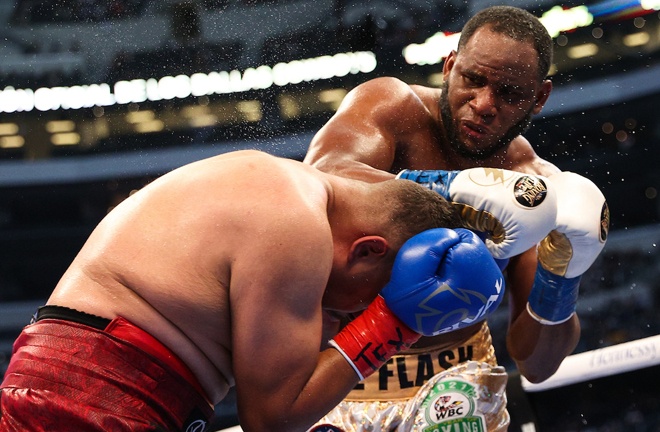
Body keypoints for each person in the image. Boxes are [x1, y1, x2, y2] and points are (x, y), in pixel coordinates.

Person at [0, 149, 510, 432]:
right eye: (373, 293)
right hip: (97, 392)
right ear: (368, 250)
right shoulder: (296, 225)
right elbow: (272, 419)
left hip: (109, 383)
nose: (359, 307)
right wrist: (393, 323)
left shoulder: (293, 188)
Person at [305, 5, 609, 431]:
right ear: (449, 67)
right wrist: (460, 189)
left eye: (510, 94)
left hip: (458, 376)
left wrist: (563, 276)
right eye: (473, 79)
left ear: (538, 98)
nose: (484, 105)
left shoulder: (534, 188)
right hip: (345, 364)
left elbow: (537, 365)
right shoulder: (393, 107)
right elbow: (320, 177)